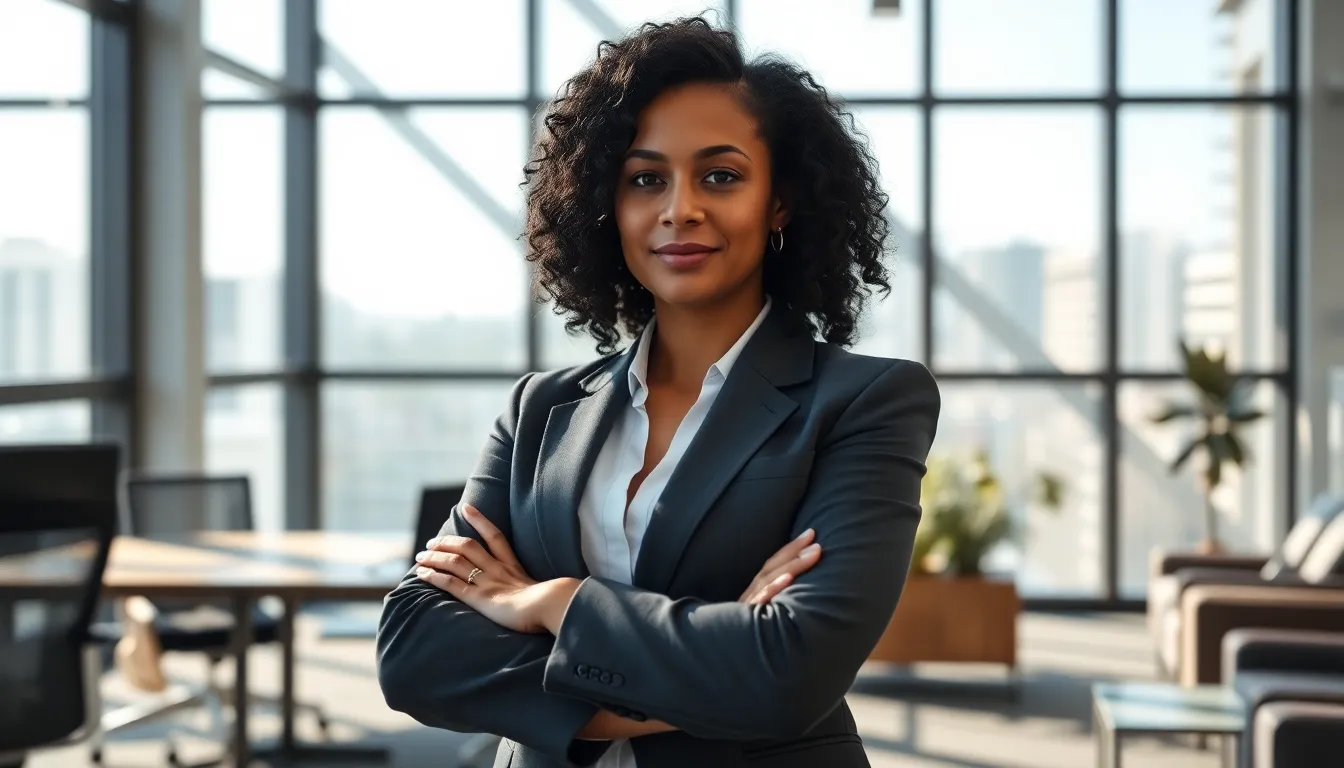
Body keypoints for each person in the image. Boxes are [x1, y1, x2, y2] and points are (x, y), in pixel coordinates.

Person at [376, 15, 940, 768]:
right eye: (646, 179)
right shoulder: (541, 409)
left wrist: (549, 602)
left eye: (721, 175)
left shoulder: (866, 402)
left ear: (779, 202)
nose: (680, 209)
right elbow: (413, 647)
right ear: (609, 207)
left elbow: (789, 672)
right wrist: (690, 667)